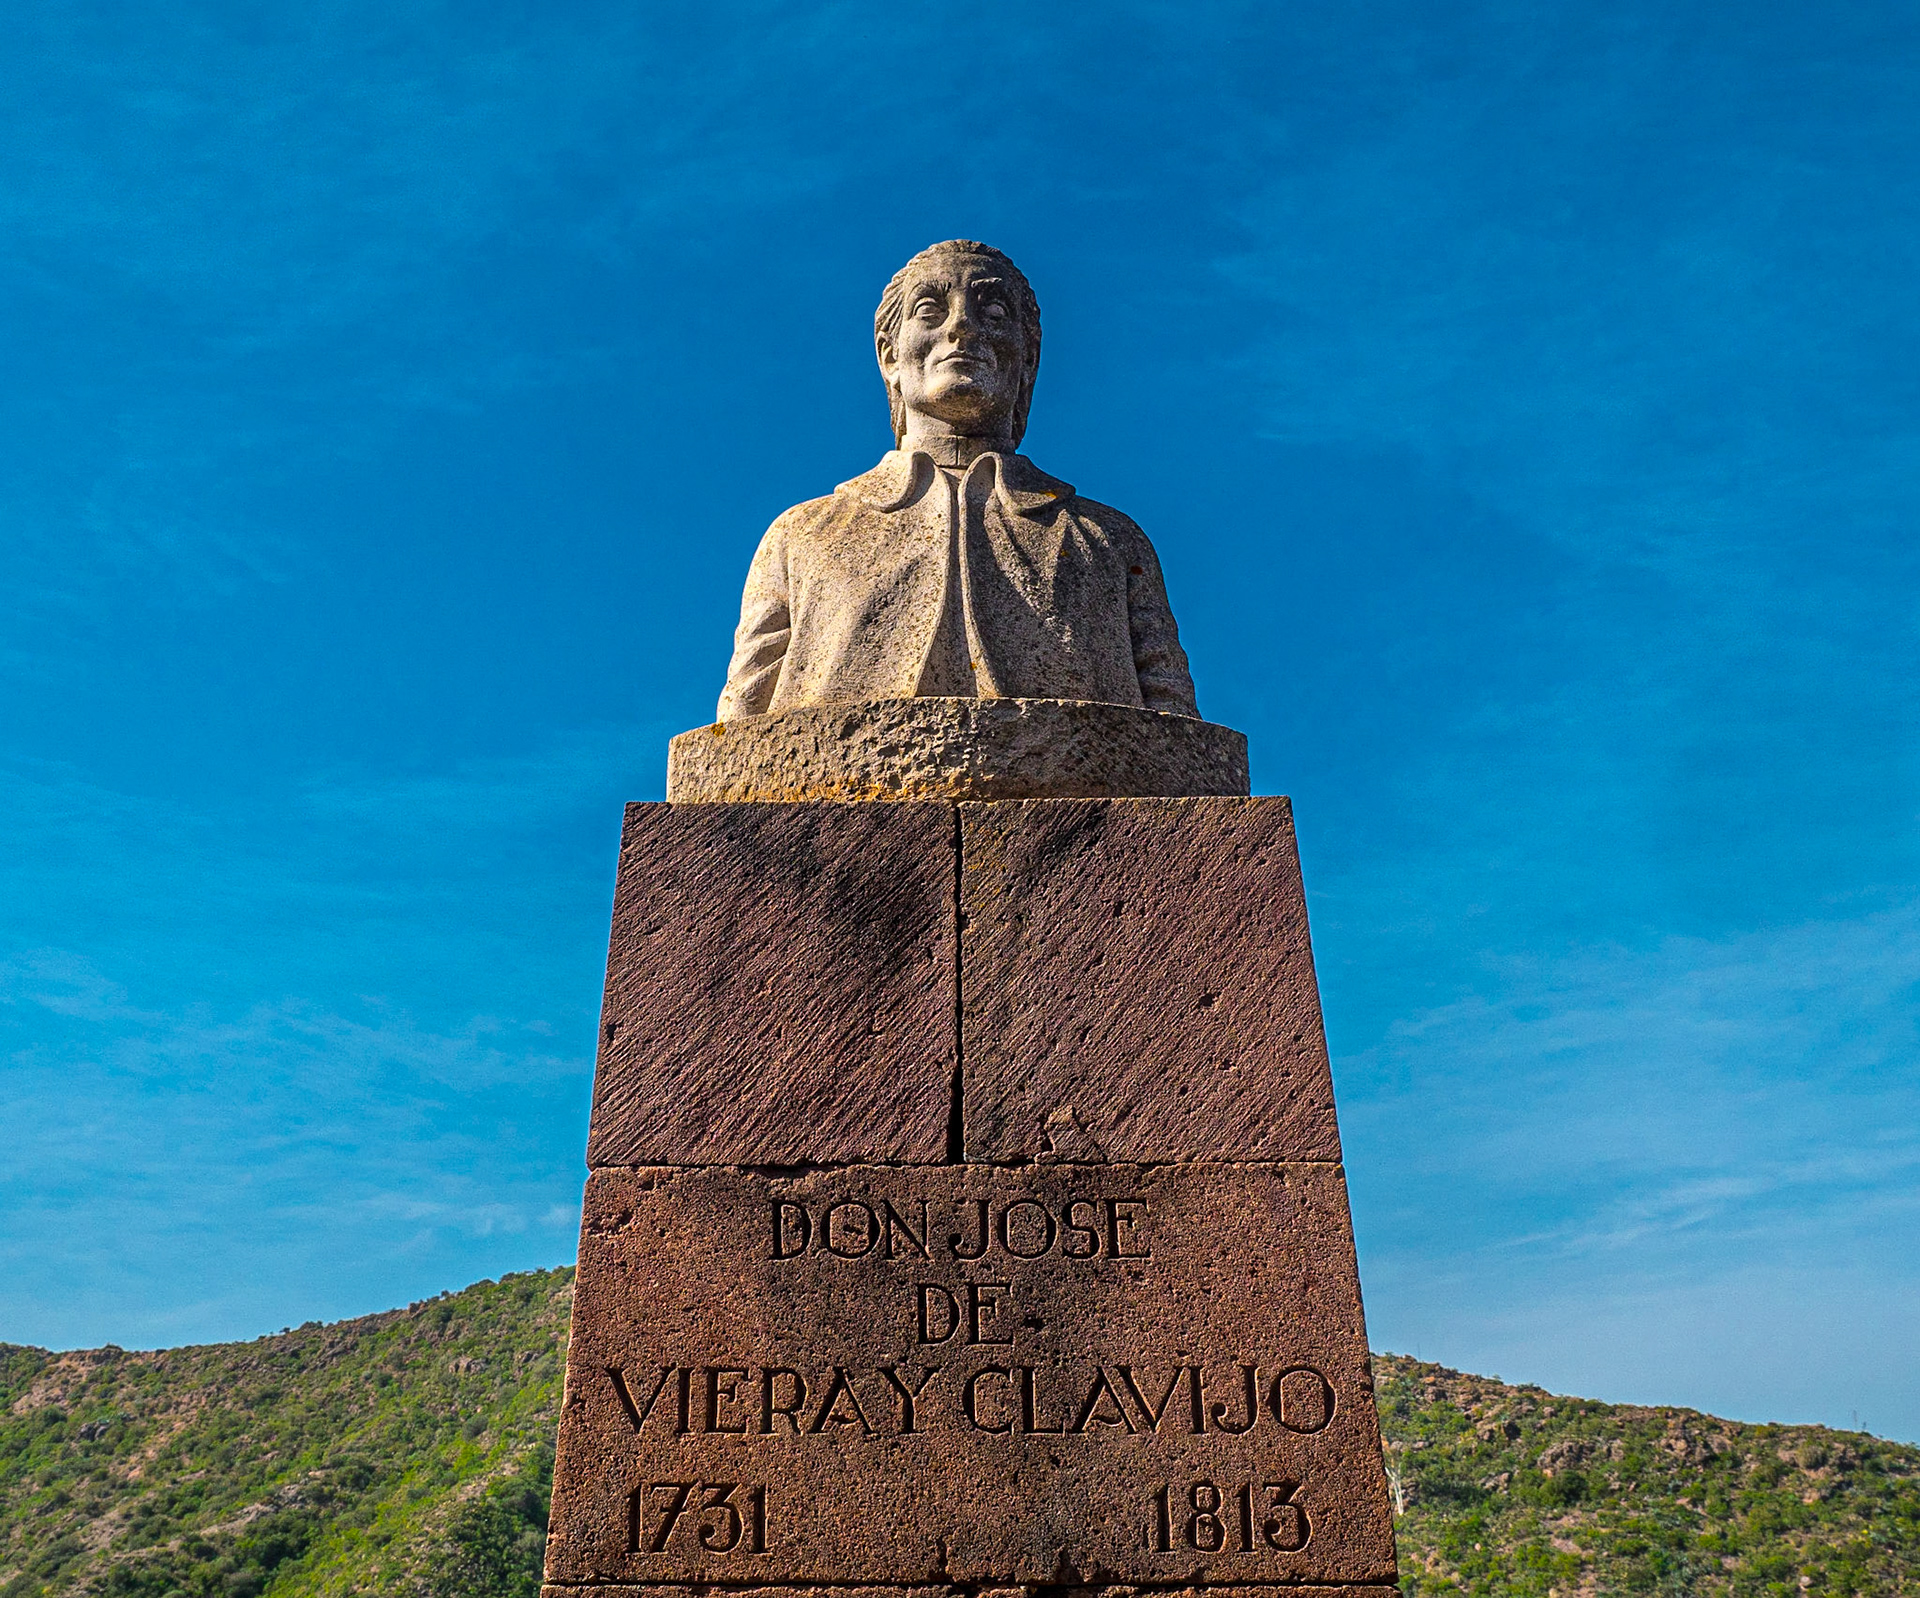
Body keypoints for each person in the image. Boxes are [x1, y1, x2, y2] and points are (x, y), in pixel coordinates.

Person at [717, 240, 1199, 721]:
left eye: (991, 311)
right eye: (929, 309)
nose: (961, 326)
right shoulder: (801, 536)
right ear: (889, 356)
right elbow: (736, 735)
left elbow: (1180, 745)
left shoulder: (1110, 541)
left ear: (1027, 359)